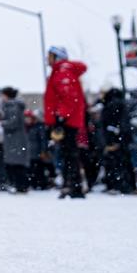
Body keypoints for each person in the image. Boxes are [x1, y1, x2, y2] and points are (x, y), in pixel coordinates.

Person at [43, 46, 87, 198]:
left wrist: (60, 117)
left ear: (57, 57)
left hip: (66, 121)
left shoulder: (63, 72)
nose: (47, 59)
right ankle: (71, 185)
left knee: (69, 154)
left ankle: (73, 186)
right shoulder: (60, 71)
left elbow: (69, 96)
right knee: (67, 153)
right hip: (67, 119)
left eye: (49, 56)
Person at [101, 86, 136, 194]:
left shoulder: (110, 106)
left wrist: (111, 140)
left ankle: (118, 185)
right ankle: (128, 185)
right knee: (125, 163)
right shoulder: (124, 104)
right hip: (123, 138)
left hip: (114, 138)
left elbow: (107, 124)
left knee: (115, 163)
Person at [1, 87, 30, 193]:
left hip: (15, 140)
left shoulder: (12, 106)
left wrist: (2, 124)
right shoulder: (14, 106)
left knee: (16, 165)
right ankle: (20, 185)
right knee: (17, 164)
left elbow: (13, 122)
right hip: (16, 140)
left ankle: (21, 186)